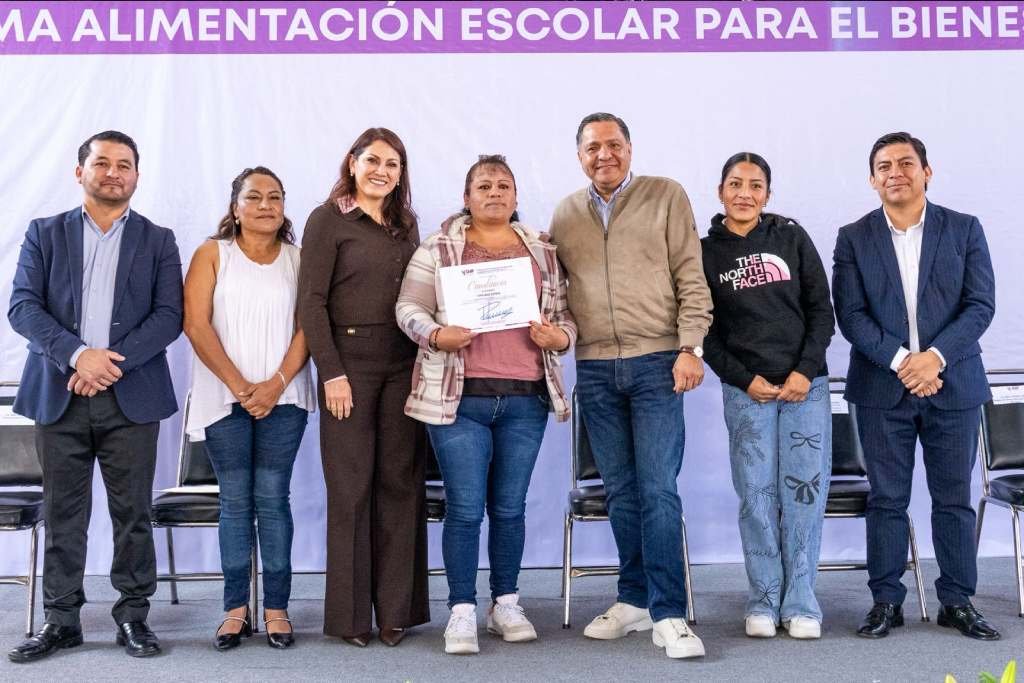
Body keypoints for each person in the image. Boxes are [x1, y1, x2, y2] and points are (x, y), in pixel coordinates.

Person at [7, 130, 183, 662]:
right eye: (102, 163)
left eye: (124, 165)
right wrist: (77, 355)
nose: (113, 173)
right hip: (59, 393)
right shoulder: (45, 233)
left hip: (132, 398)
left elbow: (169, 316)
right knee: (65, 512)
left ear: (136, 175)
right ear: (79, 170)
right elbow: (22, 306)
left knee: (133, 514)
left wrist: (105, 365)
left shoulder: (158, 239)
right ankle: (61, 620)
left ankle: (133, 617)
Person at [397, 155, 576, 655]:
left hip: (525, 398)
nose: (494, 193)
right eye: (484, 185)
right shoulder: (439, 247)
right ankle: (461, 610)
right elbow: (407, 308)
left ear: (516, 197)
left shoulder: (541, 250)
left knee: (510, 508)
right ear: (467, 195)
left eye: (503, 186)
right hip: (460, 400)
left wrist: (558, 336)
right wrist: (436, 332)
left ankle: (506, 602)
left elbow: (566, 318)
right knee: (465, 508)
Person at [549, 113, 712, 659]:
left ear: (630, 149)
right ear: (579, 156)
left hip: (658, 363)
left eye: (614, 145)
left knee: (658, 490)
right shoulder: (566, 214)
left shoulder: (665, 195)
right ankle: (635, 597)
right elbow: (556, 291)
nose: (604, 155)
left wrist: (691, 347)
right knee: (619, 490)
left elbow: (692, 274)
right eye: (593, 147)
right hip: (595, 369)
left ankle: (670, 613)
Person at [833, 132, 999, 641]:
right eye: (884, 166)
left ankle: (957, 601)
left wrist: (935, 359)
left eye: (906, 163)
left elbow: (980, 305)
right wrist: (906, 361)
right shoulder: (853, 237)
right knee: (886, 499)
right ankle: (885, 600)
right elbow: (851, 315)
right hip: (883, 387)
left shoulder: (964, 229)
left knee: (953, 498)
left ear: (928, 171)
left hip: (954, 383)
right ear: (872, 178)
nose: (895, 172)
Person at [298, 128, 429, 648]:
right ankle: (352, 618)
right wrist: (330, 372)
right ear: (352, 163)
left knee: (400, 484)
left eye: (393, 164)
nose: (383, 171)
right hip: (348, 366)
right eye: (373, 160)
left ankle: (396, 611)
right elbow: (311, 303)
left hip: (404, 363)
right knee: (351, 489)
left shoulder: (406, 224)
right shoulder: (328, 219)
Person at [701, 153, 835, 640]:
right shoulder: (704, 252)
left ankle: (801, 601)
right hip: (747, 392)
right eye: (735, 184)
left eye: (755, 186)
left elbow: (822, 312)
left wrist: (804, 371)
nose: (744, 193)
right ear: (720, 191)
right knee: (756, 496)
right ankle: (762, 598)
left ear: (767, 195)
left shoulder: (791, 237)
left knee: (803, 494)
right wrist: (743, 379)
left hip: (806, 389)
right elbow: (705, 332)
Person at [183, 166, 315, 650]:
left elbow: (308, 328)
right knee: (236, 503)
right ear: (234, 207)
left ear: (284, 208)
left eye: (275, 197)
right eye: (254, 197)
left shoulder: (300, 260)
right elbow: (195, 325)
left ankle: (277, 608)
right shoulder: (211, 254)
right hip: (224, 397)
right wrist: (242, 386)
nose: (265, 205)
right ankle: (235, 609)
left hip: (286, 398)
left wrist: (276, 384)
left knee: (274, 499)